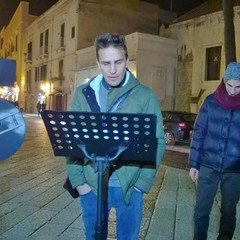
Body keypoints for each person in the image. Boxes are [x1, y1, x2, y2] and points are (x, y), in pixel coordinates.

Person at [66, 33, 165, 240]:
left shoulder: (145, 95)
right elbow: (72, 140)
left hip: (130, 186)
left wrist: (141, 185)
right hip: (91, 185)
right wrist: (79, 182)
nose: (112, 70)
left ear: (127, 60)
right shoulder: (83, 93)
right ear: (98, 63)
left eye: (118, 62)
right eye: (106, 63)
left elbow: (158, 141)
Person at [189, 62, 240, 240]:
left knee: (228, 212)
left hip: (234, 169)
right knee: (201, 211)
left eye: (238, 87)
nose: (233, 90)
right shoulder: (211, 101)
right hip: (208, 165)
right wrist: (194, 164)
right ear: (223, 81)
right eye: (229, 85)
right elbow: (199, 133)